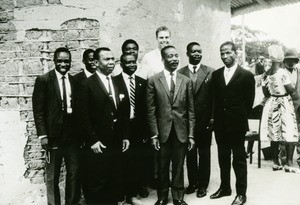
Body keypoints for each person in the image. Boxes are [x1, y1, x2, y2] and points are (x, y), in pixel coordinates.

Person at [78, 47, 130, 204]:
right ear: (96, 62)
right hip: (98, 142)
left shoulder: (117, 83)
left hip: (116, 141)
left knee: (114, 179)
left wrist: (125, 136)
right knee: (97, 182)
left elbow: (123, 112)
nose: (111, 62)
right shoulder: (86, 85)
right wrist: (93, 140)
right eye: (106, 59)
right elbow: (83, 116)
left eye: (112, 59)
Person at [32, 47, 81, 205]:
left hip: (72, 136)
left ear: (70, 62)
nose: (63, 64)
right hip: (53, 136)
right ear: (54, 61)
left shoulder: (74, 81)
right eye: (60, 60)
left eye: (66, 61)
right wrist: (43, 135)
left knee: (74, 172)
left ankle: (71, 203)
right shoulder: (44, 80)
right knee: (52, 175)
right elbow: (38, 110)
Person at [147, 45, 195, 205]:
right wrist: (154, 134)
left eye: (176, 55)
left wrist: (191, 135)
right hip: (162, 132)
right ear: (163, 60)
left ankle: (178, 197)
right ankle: (162, 197)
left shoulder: (186, 81)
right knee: (162, 166)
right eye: (170, 56)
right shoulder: (154, 80)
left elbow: (190, 110)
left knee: (179, 166)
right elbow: (151, 110)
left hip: (181, 131)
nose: (174, 59)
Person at [210, 41, 255, 205]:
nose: (224, 56)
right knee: (223, 157)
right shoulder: (216, 75)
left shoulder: (246, 75)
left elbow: (248, 103)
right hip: (220, 125)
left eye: (228, 52)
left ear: (235, 53)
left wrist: (239, 118)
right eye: (222, 53)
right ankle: (225, 188)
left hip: (237, 124)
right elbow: (215, 99)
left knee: (239, 158)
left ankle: (241, 193)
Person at [178, 42, 214, 198]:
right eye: (193, 52)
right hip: (186, 121)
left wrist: (212, 118)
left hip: (204, 120)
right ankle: (192, 183)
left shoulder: (210, 72)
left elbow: (214, 99)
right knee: (190, 153)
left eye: (199, 51)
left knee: (204, 153)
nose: (197, 54)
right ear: (187, 54)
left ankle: (203, 185)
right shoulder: (180, 72)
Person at [114, 53, 150, 205]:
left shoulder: (142, 82)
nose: (131, 65)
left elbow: (147, 108)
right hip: (121, 127)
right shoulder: (114, 82)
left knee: (138, 160)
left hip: (138, 127)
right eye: (127, 63)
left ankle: (134, 192)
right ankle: (122, 193)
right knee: (122, 161)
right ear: (121, 65)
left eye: (133, 62)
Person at [260, 45, 299, 173]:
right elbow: (291, 91)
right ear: (281, 58)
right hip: (284, 103)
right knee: (290, 131)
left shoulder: (265, 74)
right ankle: (289, 162)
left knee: (274, 132)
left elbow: (265, 93)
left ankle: (276, 163)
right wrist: (294, 85)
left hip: (272, 103)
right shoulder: (283, 73)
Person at [73, 48, 96, 203]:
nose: (93, 62)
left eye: (95, 59)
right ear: (84, 62)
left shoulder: (103, 78)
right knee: (86, 168)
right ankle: (88, 198)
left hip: (100, 131)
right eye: (90, 59)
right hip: (83, 132)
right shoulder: (76, 80)